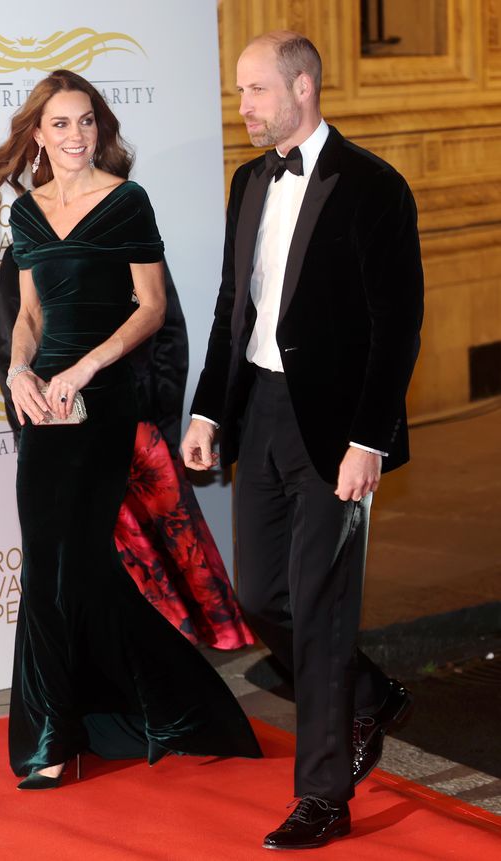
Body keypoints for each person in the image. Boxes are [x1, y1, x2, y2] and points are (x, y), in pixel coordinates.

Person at [0, 68, 261, 790]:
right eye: (60, 124)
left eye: (86, 122)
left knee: (69, 564)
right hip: (46, 404)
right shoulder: (27, 213)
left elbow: (150, 307)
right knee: (57, 565)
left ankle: (61, 732)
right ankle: (98, 718)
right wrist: (19, 372)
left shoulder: (127, 201)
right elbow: (31, 316)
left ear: (100, 128)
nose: (76, 136)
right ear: (37, 136)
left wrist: (84, 368)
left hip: (103, 400)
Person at [181, 31, 423, 850]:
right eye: (240, 91)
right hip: (262, 413)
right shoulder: (248, 179)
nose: (241, 105)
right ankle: (365, 690)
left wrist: (371, 440)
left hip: (338, 426)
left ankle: (323, 794)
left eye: (253, 90)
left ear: (302, 88)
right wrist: (209, 412)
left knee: (320, 610)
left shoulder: (373, 187)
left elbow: (397, 330)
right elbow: (230, 308)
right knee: (259, 598)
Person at [0, 246, 253, 649]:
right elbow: (11, 348)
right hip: (64, 437)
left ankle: (163, 660)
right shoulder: (26, 249)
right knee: (87, 567)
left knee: (164, 572)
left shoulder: (132, 238)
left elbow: (169, 334)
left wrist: (162, 425)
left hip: (137, 436)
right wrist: (31, 430)